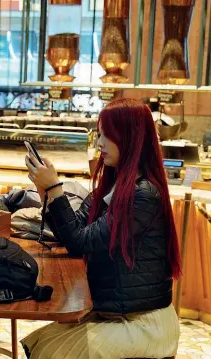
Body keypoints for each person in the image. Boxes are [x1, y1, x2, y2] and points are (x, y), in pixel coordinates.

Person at [21, 98, 182, 359]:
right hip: (116, 314)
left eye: (108, 135)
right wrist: (45, 193)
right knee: (43, 341)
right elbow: (69, 234)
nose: (99, 143)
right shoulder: (112, 187)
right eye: (100, 134)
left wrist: (55, 189)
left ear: (130, 137)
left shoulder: (144, 196)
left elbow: (79, 243)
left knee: (50, 351)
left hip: (143, 325)